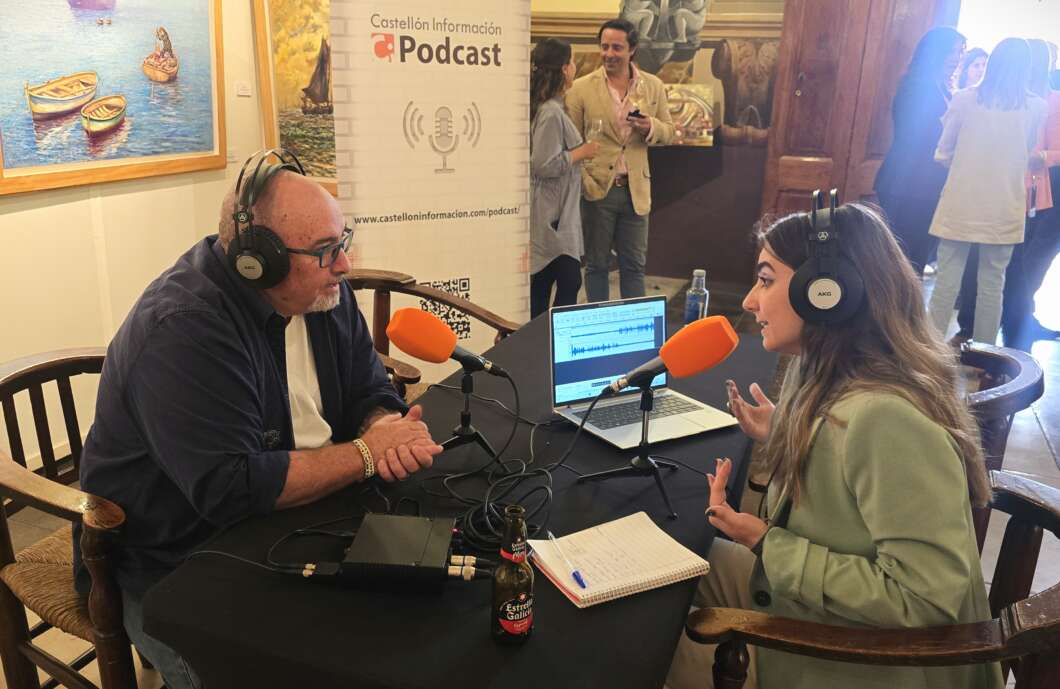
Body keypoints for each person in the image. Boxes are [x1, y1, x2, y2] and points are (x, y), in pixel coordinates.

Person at [72, 151, 444, 689]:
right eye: (325, 250)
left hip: (290, 518)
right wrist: (367, 453)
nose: (344, 264)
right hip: (170, 558)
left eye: (343, 241)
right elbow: (232, 488)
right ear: (257, 261)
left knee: (405, 628)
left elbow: (368, 389)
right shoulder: (186, 329)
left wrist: (381, 423)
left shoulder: (324, 293)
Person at [666, 203, 1002, 689]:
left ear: (826, 294)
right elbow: (852, 476)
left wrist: (765, 541)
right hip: (839, 615)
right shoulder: (833, 372)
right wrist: (790, 432)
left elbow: (925, 600)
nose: (750, 302)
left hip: (868, 662)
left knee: (659, 639)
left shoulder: (886, 418)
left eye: (765, 280)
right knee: (666, 572)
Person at [927, 37, 1049, 345]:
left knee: (946, 284)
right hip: (1005, 205)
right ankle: (984, 355)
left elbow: (943, 152)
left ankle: (930, 351)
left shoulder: (964, 99)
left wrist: (964, 162)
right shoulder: (1036, 106)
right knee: (993, 285)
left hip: (961, 202)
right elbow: (1026, 150)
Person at [565, 18, 675, 302]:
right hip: (597, 189)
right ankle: (599, 324)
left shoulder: (653, 86)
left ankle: (633, 325)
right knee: (597, 265)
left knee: (634, 267)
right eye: (604, 47)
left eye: (616, 47)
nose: (609, 54)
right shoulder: (580, 88)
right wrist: (585, 181)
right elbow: (572, 142)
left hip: (636, 191)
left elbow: (670, 132)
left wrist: (650, 126)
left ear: (632, 49)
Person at [875, 26, 965, 276]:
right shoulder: (916, 87)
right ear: (936, 53)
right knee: (900, 257)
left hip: (928, 185)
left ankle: (907, 299)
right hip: (908, 184)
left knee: (916, 256)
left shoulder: (943, 88)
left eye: (960, 52)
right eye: (952, 52)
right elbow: (915, 135)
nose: (957, 59)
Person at [529, 38, 599, 318]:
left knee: (548, 282)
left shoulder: (553, 108)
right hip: (552, 216)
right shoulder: (550, 113)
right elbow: (543, 164)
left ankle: (540, 337)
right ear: (562, 68)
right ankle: (549, 337)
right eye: (570, 62)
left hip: (557, 212)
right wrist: (582, 152)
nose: (574, 68)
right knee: (567, 280)